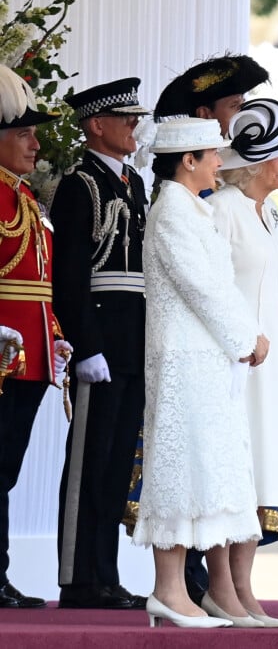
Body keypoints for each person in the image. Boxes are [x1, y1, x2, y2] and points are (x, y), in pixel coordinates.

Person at [131, 117, 269, 629]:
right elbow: (202, 288)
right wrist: (246, 337)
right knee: (178, 467)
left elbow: (219, 285)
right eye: (212, 153)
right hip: (182, 362)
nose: (220, 161)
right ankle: (167, 592)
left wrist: (245, 336)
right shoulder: (171, 211)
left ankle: (181, 594)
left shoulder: (192, 209)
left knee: (201, 468)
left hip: (206, 362)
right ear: (187, 160)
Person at [207, 98, 278, 627]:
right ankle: (220, 588)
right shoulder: (223, 209)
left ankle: (246, 590)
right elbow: (210, 288)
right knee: (232, 474)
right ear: (253, 163)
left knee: (261, 476)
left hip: (273, 366)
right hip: (235, 364)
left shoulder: (270, 211)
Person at [51, 78, 149, 609]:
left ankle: (104, 575)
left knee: (115, 465)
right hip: (101, 340)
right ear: (96, 125)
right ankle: (77, 576)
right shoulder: (79, 185)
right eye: (126, 118)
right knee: (89, 460)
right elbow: (69, 277)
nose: (135, 125)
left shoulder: (131, 181)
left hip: (132, 340)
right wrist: (85, 347)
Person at [0, 65, 72, 607]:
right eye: (23, 133)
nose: (35, 142)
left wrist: (55, 334)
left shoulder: (24, 198)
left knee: (5, 469)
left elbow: (38, 283)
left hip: (30, 357)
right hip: (3, 355)